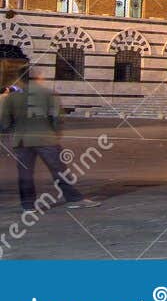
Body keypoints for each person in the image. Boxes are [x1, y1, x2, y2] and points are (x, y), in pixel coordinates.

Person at [0, 68, 99, 210]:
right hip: (45, 139)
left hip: (21, 140)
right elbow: (57, 118)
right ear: (37, 77)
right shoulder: (48, 94)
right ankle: (73, 198)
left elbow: (5, 122)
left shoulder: (12, 97)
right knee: (58, 169)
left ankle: (28, 205)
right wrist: (56, 134)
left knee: (25, 173)